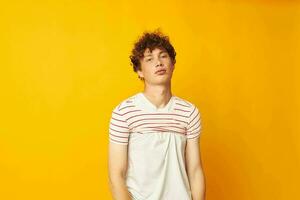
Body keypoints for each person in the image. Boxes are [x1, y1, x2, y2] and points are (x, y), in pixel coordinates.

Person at [108, 29, 206, 200]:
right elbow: (116, 175)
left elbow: (195, 170)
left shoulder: (189, 112)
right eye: (149, 59)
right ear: (139, 71)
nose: (158, 63)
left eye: (163, 56)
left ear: (173, 64)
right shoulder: (124, 112)